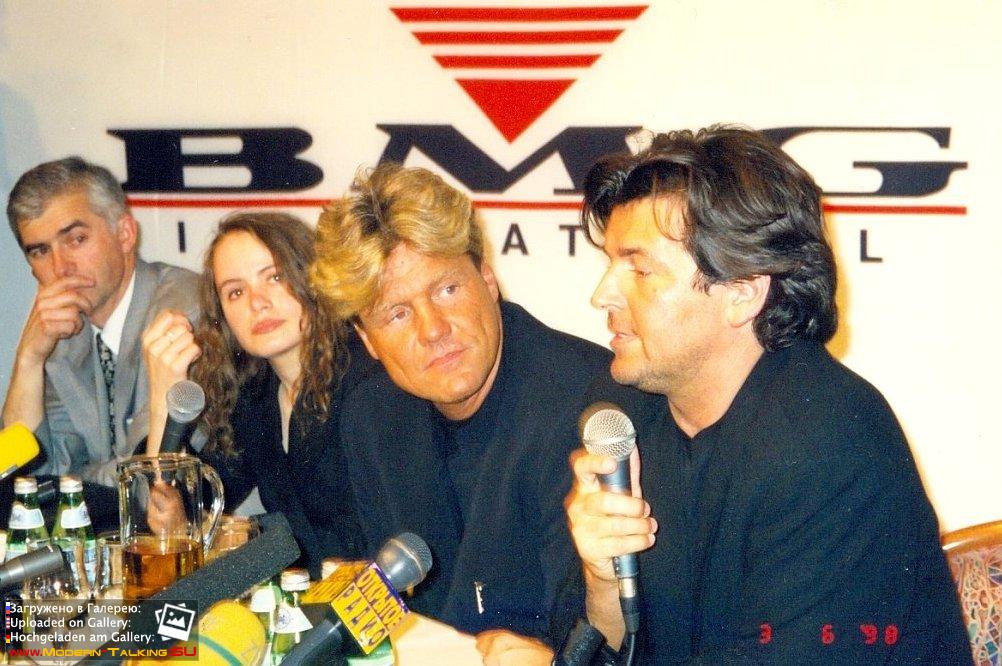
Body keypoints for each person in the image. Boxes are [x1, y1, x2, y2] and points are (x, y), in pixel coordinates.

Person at [560, 127, 970, 663]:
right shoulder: (625, 416)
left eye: (640, 269)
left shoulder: (832, 446)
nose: (601, 295)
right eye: (610, 265)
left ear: (742, 293)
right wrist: (603, 580)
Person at [310, 163, 641, 662]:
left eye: (447, 290)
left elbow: (607, 639)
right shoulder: (370, 417)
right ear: (367, 341)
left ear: (488, 279)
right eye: (397, 314)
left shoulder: (588, 406)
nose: (433, 329)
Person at [142, 212, 375, 572]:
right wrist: (162, 400)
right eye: (235, 292)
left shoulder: (365, 380)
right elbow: (180, 510)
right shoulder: (257, 396)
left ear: (312, 279)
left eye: (275, 277)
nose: (257, 302)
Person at [2, 157, 198, 486]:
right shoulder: (60, 336)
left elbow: (148, 481)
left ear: (125, 234)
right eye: (40, 251)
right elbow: (27, 482)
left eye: (76, 239)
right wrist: (29, 358)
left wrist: (73, 481)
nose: (60, 268)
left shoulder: (185, 309)